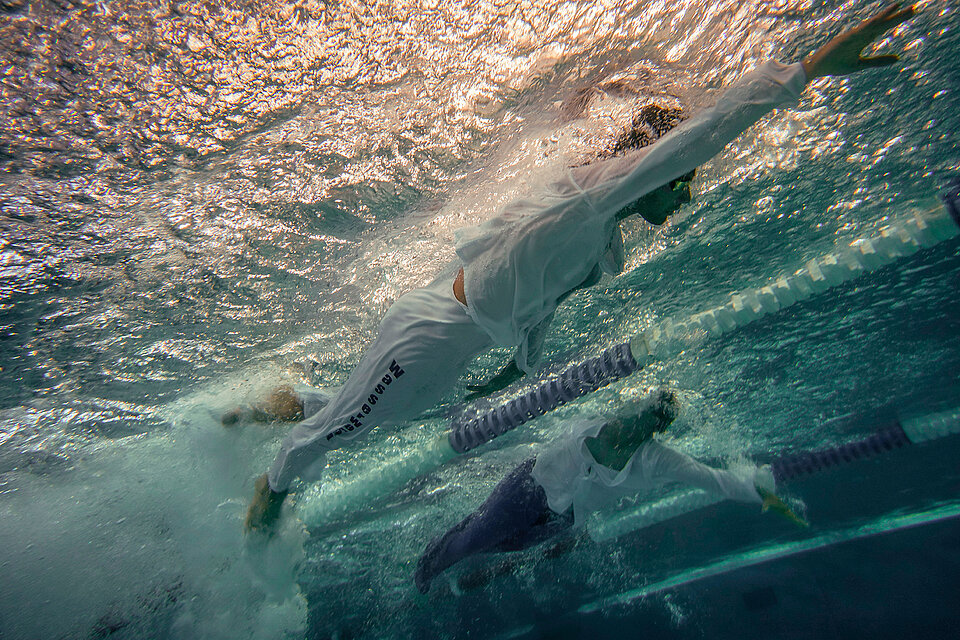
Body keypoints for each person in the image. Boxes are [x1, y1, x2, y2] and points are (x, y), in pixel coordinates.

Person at [243, 4, 918, 533]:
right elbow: (706, 130)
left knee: (374, 419)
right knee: (343, 432)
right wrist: (813, 67)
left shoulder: (604, 243)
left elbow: (545, 294)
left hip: (464, 338)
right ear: (655, 165)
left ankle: (278, 405)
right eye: (682, 179)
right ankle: (268, 496)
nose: (688, 192)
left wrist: (523, 362)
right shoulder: (599, 193)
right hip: (434, 332)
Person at [414, 389, 806, 593]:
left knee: (492, 546)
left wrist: (761, 489)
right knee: (474, 539)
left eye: (645, 420)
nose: (633, 419)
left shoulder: (657, 460)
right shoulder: (603, 413)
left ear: (653, 430)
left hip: (561, 521)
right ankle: (425, 570)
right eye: (636, 409)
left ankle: (443, 551)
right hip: (531, 486)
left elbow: (712, 479)